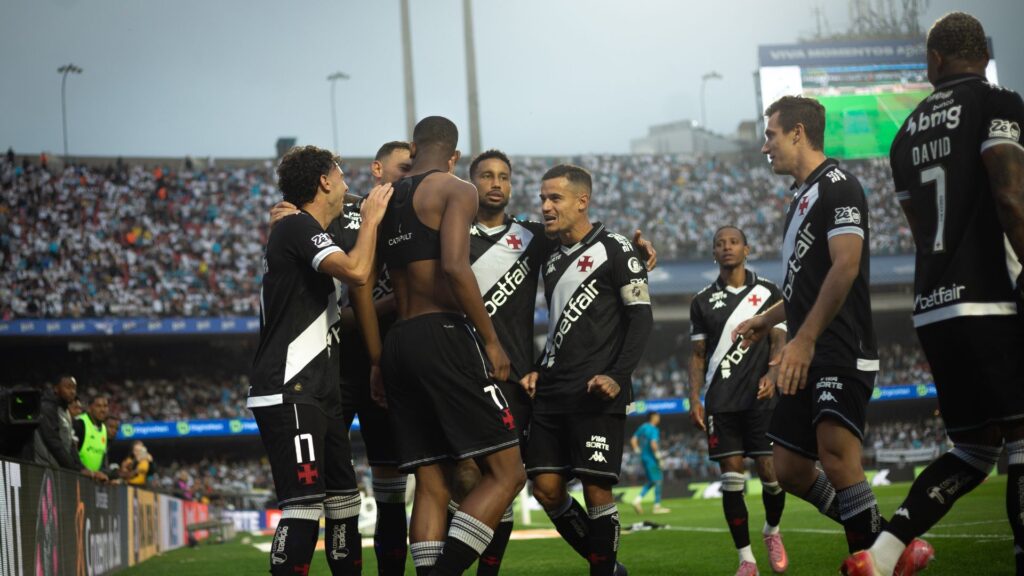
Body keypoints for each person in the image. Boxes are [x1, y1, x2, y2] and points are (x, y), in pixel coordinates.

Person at [843, 12, 1024, 575]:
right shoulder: (999, 104)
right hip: (993, 297)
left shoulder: (903, 137)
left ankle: (883, 552)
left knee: (974, 448)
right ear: (983, 56)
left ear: (935, 62)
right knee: (1022, 440)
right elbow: (1010, 194)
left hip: (935, 305)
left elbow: (922, 231)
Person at [733, 95, 925, 568]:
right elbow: (807, 285)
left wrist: (804, 338)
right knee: (790, 467)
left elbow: (846, 266)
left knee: (837, 458)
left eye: (771, 134)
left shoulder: (839, 186)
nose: (765, 147)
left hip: (839, 344)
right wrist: (769, 318)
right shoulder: (800, 197)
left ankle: (876, 562)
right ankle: (889, 546)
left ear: (798, 132)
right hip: (810, 346)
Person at [372, 116, 526, 576]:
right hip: (443, 336)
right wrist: (492, 341)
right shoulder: (457, 190)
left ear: (415, 149)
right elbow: (457, 268)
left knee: (432, 483)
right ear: (454, 156)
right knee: (508, 472)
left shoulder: (382, 198)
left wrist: (378, 360)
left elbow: (363, 285)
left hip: (398, 342)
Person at [269, 140, 413, 576]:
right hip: (320, 375)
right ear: (376, 170)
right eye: (402, 168)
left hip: (381, 370)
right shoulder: (327, 216)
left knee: (375, 495)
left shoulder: (425, 211)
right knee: (311, 501)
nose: (409, 176)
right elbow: (355, 276)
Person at [520, 164, 653, 576]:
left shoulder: (615, 248)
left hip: (598, 389)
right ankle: (610, 568)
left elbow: (641, 318)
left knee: (597, 488)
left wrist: (618, 375)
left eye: (554, 198)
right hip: (553, 386)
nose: (545, 206)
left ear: (583, 201)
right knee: (545, 488)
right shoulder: (545, 249)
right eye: (542, 198)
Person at [688, 225, 788, 575]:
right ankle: (746, 559)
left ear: (747, 249)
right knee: (732, 479)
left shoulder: (769, 292)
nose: (727, 247)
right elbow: (698, 354)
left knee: (772, 475)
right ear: (713, 253)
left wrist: (774, 376)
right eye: (720, 244)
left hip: (761, 399)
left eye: (733, 242)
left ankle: (772, 532)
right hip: (721, 401)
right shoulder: (701, 300)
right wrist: (694, 398)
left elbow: (778, 341)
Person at [33, 375, 108, 482]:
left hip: (58, 470)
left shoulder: (65, 411)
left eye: (74, 388)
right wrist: (75, 469)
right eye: (68, 387)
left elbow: (71, 445)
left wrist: (81, 468)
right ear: (56, 388)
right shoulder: (47, 408)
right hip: (43, 470)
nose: (72, 391)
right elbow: (54, 442)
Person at [630, 412, 669, 515]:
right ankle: (657, 506)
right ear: (653, 418)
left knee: (652, 481)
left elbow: (633, 440)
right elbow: (653, 444)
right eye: (658, 416)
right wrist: (658, 457)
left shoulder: (643, 427)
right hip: (651, 459)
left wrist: (637, 450)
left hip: (644, 458)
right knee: (658, 480)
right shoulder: (654, 429)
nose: (659, 418)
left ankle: (637, 500)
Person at [73, 395, 110, 474]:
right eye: (98, 406)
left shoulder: (104, 428)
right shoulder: (79, 423)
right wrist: (83, 469)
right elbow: (72, 453)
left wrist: (104, 474)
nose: (103, 410)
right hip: (76, 476)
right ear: (89, 408)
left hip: (92, 480)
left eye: (105, 406)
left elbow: (103, 459)